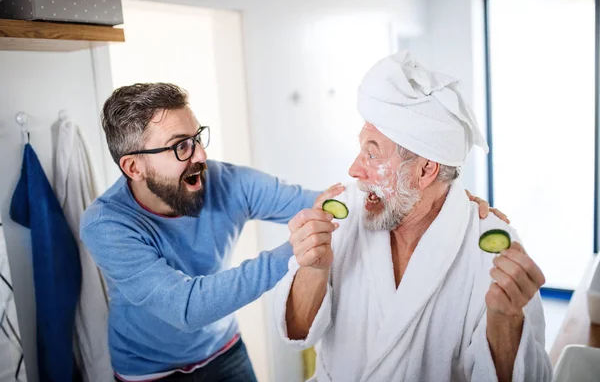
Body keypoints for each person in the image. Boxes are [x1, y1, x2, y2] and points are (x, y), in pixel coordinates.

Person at [81, 82, 499, 381]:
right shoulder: (107, 225)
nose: (201, 155)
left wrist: (442, 200)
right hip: (147, 369)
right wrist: (299, 252)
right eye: (180, 146)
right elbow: (186, 309)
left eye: (197, 137)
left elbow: (326, 205)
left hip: (223, 353)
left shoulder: (228, 182)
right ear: (134, 167)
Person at [274, 51, 551, 382]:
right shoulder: (341, 215)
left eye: (372, 153)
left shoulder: (489, 247)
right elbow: (296, 333)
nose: (353, 169)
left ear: (425, 170)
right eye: (361, 149)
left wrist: (506, 320)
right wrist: (313, 269)